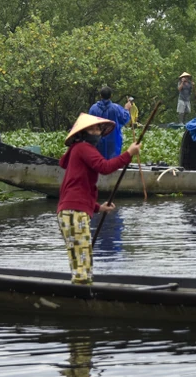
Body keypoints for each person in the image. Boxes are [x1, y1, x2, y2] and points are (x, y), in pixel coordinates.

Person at [57, 113, 140, 284]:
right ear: (83, 133)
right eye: (92, 130)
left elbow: (79, 189)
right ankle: (82, 293)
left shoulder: (78, 150)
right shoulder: (83, 148)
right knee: (81, 261)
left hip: (72, 210)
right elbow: (104, 167)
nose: (97, 133)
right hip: (73, 212)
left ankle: (84, 288)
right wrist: (128, 154)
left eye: (98, 129)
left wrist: (98, 208)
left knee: (84, 258)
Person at [87, 86, 131, 159]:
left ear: (100, 95)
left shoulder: (93, 108)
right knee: (112, 162)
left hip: (97, 140)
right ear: (111, 96)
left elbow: (88, 124)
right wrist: (126, 109)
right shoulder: (116, 108)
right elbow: (125, 118)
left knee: (97, 160)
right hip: (113, 141)